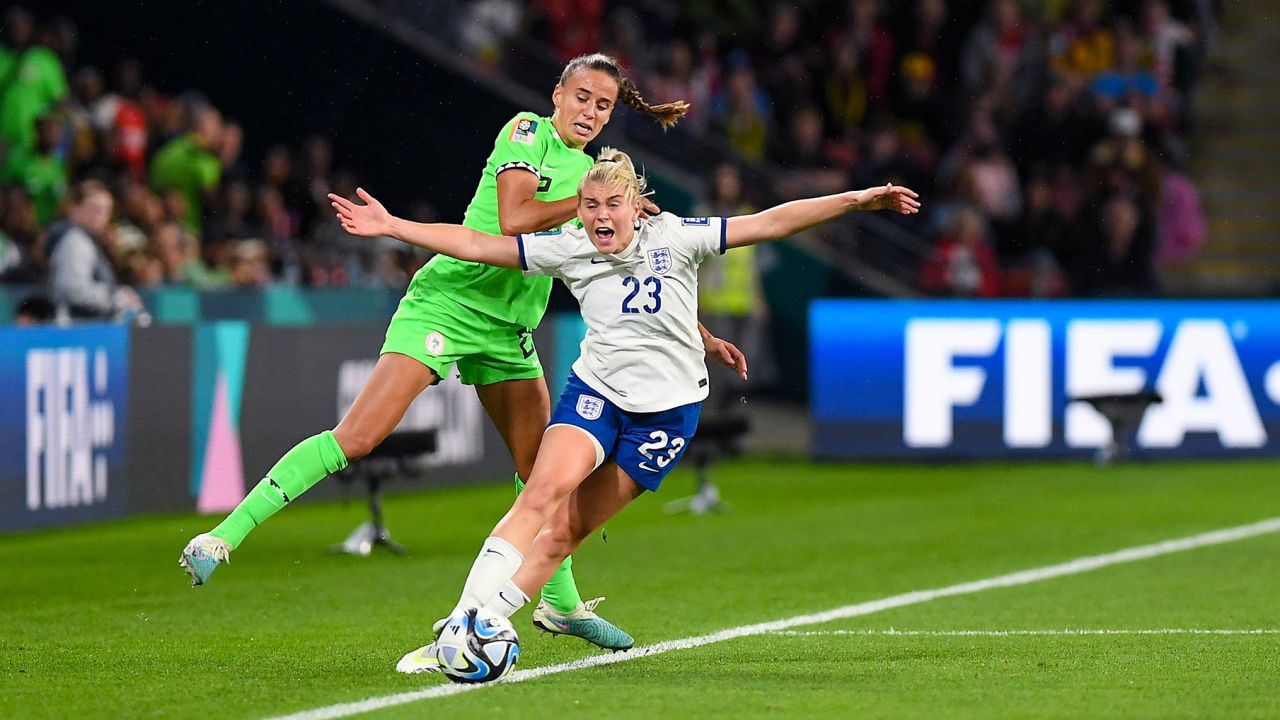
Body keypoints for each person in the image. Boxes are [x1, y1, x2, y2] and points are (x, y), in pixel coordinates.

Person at [178, 53, 746, 655]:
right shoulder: (528, 133)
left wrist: (700, 335)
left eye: (602, 106)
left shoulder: (598, 186)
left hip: (510, 332)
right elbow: (511, 219)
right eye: (582, 96)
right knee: (360, 436)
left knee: (540, 477)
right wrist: (589, 199)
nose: (589, 112)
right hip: (448, 304)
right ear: (558, 94)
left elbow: (644, 274)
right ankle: (223, 536)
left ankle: (560, 607)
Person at [325, 148, 919, 671]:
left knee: (565, 533)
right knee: (540, 492)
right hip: (596, 393)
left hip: (666, 415)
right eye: (588, 204)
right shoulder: (569, 247)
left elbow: (770, 221)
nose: (599, 216)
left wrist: (857, 199)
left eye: (612, 204)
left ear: (638, 206)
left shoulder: (678, 237)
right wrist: (392, 225)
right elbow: (480, 242)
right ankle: (461, 628)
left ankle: (492, 621)